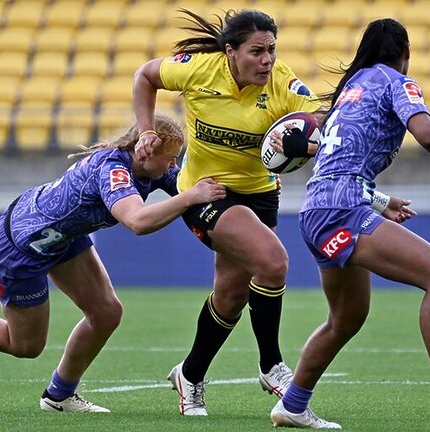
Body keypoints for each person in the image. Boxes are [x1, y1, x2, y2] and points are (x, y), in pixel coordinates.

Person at [268, 18, 430, 429]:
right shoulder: (396, 81)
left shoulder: (352, 88)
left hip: (318, 209)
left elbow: (340, 166)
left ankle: (292, 405)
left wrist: (379, 200)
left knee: (346, 318)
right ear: (406, 53)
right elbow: (427, 134)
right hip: (342, 210)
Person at [0, 114, 226, 413]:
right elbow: (137, 221)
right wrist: (190, 198)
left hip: (61, 236)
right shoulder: (114, 169)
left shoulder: (150, 167)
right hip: (23, 246)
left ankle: (59, 396)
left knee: (106, 313)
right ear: (145, 150)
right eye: (171, 158)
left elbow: (190, 186)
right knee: (25, 346)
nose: (173, 166)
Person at [132, 8, 326, 416]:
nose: (267, 60)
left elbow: (318, 117)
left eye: (272, 50)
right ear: (230, 52)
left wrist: (307, 136)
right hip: (207, 193)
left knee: (232, 294)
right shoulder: (198, 71)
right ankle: (271, 364)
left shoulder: (282, 81)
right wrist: (146, 130)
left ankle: (190, 373)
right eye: (257, 51)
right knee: (273, 262)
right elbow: (146, 76)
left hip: (260, 194)